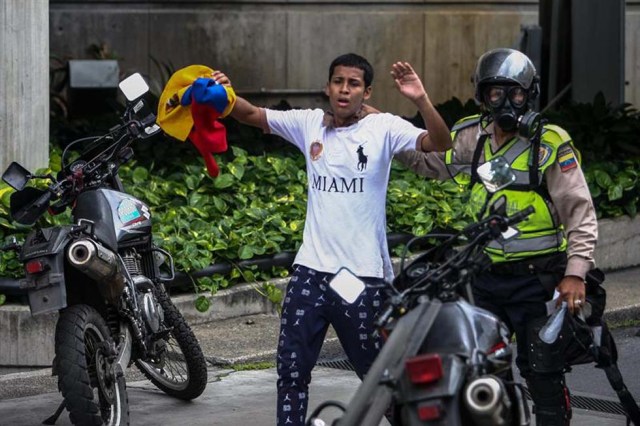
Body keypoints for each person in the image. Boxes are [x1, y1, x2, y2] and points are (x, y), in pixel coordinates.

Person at [212, 53, 451, 425]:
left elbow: (440, 143)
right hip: (309, 274)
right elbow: (250, 115)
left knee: (377, 380)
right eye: (338, 81)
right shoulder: (309, 124)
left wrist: (421, 100)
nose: (344, 90)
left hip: (362, 278)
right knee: (291, 373)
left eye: (353, 84)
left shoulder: (384, 128)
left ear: (366, 91)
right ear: (327, 87)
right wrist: (224, 93)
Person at [394, 48, 598, 425]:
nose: (506, 102)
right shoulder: (471, 137)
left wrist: (575, 273)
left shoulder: (549, 143)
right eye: (495, 93)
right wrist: (381, 130)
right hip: (482, 279)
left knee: (543, 373)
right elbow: (428, 161)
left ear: (529, 95)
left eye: (515, 93)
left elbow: (580, 213)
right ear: (482, 96)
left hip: (538, 281)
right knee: (485, 377)